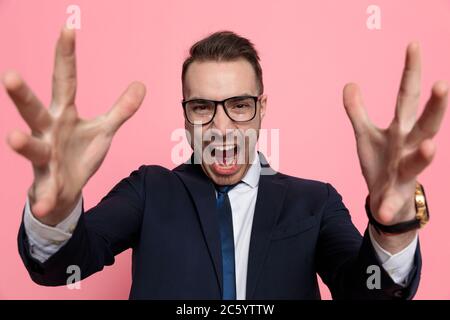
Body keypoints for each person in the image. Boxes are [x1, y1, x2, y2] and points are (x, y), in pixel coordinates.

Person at [3, 27, 447, 299]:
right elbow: (65, 266)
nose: (221, 126)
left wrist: (392, 227)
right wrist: (58, 212)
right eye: (202, 107)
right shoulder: (149, 191)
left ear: (262, 107)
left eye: (239, 104)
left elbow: (367, 291)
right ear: (185, 114)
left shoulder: (314, 201)